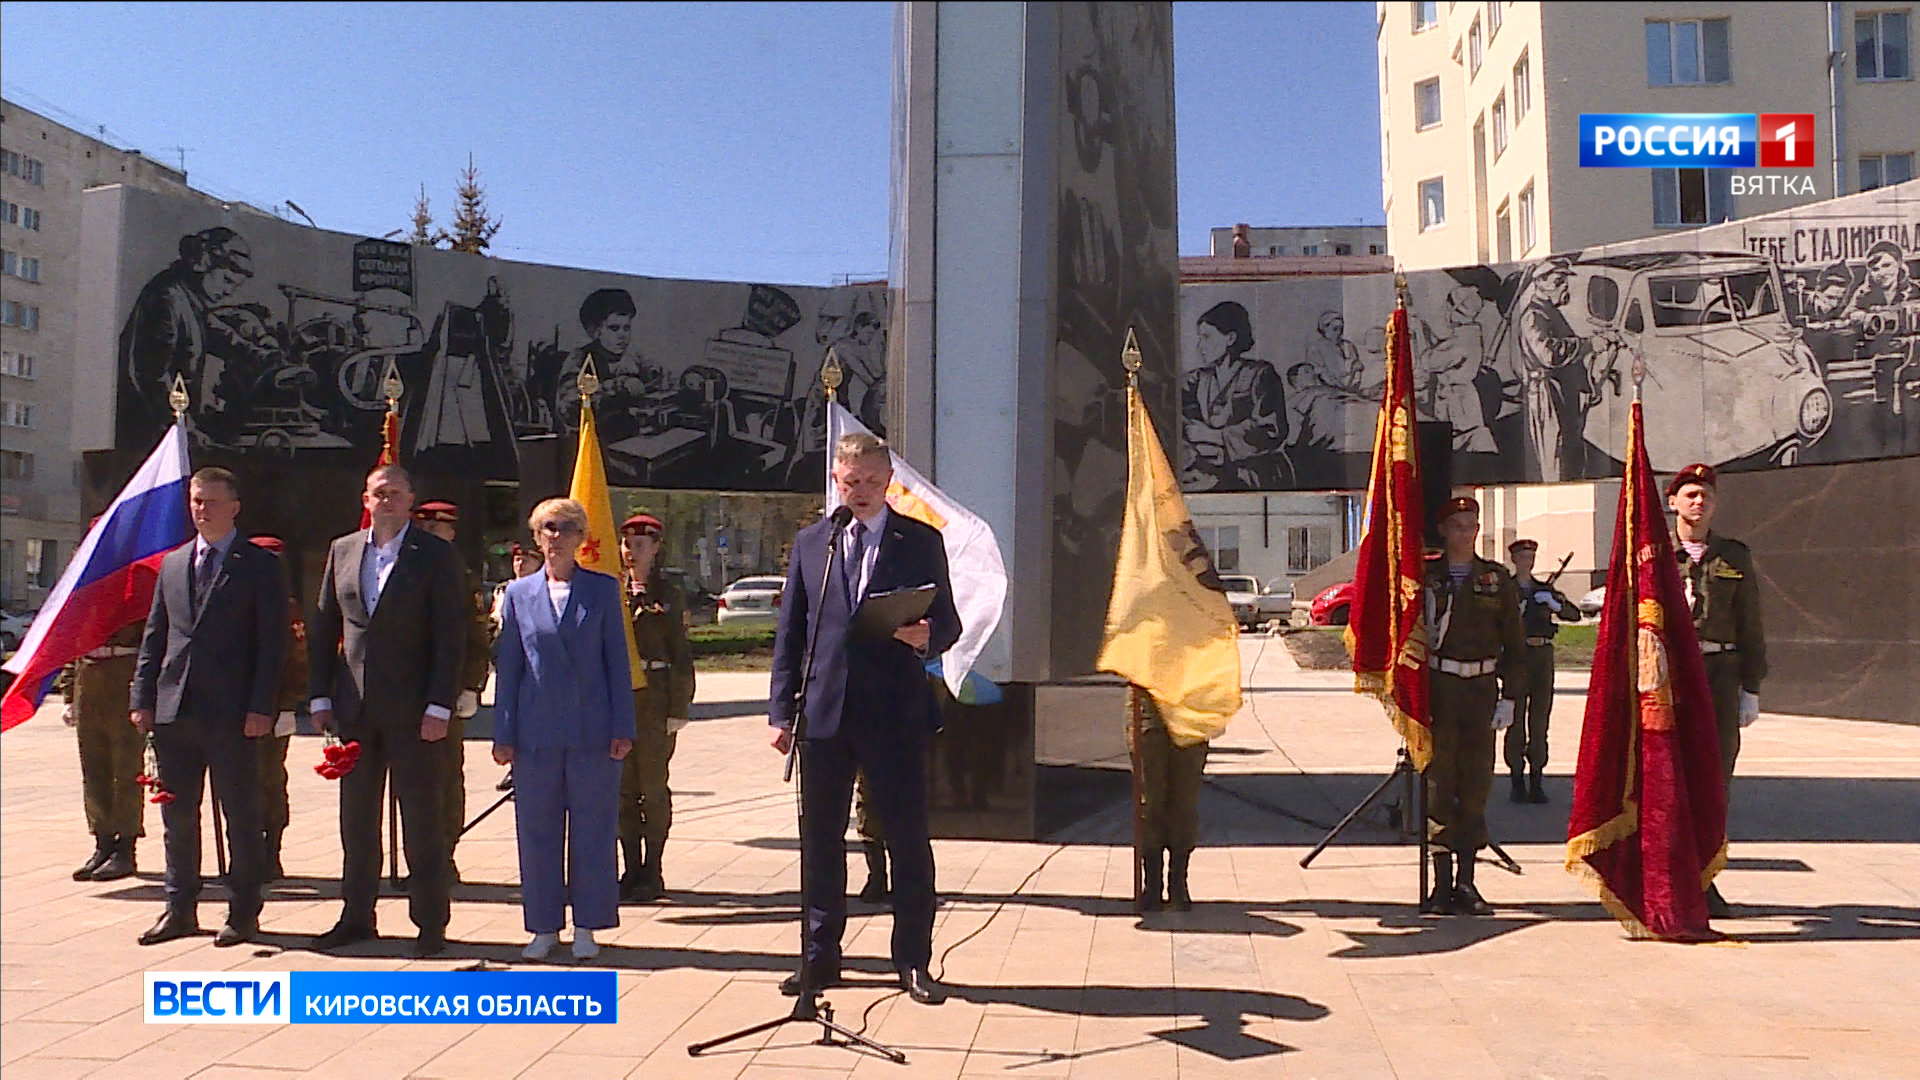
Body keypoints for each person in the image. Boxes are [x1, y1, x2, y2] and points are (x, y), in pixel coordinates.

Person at [770, 432, 961, 1005]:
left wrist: (928, 635)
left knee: (906, 838)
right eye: (851, 481)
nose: (861, 491)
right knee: (820, 841)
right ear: (836, 480)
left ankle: (913, 960)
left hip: (894, 712)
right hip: (824, 712)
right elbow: (792, 632)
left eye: (872, 481)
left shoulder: (920, 541)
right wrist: (781, 711)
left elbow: (949, 620)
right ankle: (819, 956)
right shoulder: (816, 542)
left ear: (889, 482)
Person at [308, 464, 466, 958]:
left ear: (411, 500)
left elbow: (450, 635)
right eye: (380, 493)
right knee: (356, 822)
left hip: (415, 711)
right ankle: (356, 916)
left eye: (397, 493)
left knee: (421, 821)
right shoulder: (343, 550)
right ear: (366, 499)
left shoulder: (435, 555)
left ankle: (430, 923)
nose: (388, 500)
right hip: (355, 709)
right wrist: (320, 696)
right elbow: (325, 626)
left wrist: (440, 704)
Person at [129, 467, 288, 947]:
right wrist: (142, 698)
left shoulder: (259, 565)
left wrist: (261, 706)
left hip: (234, 712)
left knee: (241, 816)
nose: (202, 510)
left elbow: (272, 644)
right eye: (197, 501)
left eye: (212, 502)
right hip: (177, 709)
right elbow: (156, 636)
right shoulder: (174, 563)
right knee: (177, 817)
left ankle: (242, 912)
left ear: (234, 508)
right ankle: (179, 908)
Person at [492, 498, 636, 960]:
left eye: (568, 528)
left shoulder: (602, 589)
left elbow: (617, 662)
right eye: (549, 528)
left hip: (593, 731)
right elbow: (510, 666)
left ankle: (589, 925)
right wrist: (503, 732)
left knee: (593, 832)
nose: (557, 536)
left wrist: (623, 725)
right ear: (537, 536)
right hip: (536, 734)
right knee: (537, 833)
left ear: (581, 538)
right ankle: (543, 926)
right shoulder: (519, 594)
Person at [1667, 463, 1766, 918]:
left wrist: (1751, 687)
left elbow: (1751, 623)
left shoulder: (1733, 556)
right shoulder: (1654, 555)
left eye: (1705, 494)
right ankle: (1666, 880)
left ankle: (1704, 879)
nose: (1699, 501)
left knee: (1714, 779)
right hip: (1670, 677)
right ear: (1673, 502)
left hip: (1720, 675)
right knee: (1667, 777)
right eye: (1690, 494)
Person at [1422, 496, 1525, 917]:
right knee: (1439, 785)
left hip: (1481, 689)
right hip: (1440, 688)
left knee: (1475, 785)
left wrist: (1511, 697)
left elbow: (1515, 644)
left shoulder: (1496, 579)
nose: (1465, 533)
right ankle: (1441, 884)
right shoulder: (1427, 577)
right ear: (1443, 530)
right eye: (1457, 526)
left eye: (1471, 525)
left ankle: (1467, 881)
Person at [616, 512, 695, 902]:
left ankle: (653, 868)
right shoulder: (612, 588)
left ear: (656, 547)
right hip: (619, 700)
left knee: (652, 787)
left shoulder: (668, 594)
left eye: (640, 545)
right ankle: (630, 868)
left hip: (654, 700)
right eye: (627, 544)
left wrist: (679, 705)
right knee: (622, 791)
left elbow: (681, 652)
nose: (631, 552)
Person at [411, 499, 492, 882]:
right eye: (423, 527)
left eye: (436, 528)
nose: (428, 534)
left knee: (445, 777)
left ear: (451, 532)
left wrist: (471, 686)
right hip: (406, 690)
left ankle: (444, 854)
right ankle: (417, 855)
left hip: (446, 690)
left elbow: (476, 636)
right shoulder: (404, 569)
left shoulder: (461, 574)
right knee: (412, 780)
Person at [61, 597, 147, 883]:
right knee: (94, 770)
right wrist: (69, 695)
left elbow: (151, 644)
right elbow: (72, 647)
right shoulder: (87, 593)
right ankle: (103, 842)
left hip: (124, 678)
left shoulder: (135, 591)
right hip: (89, 680)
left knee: (126, 771)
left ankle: (126, 847)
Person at [1515, 257, 1623, 482]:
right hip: (1547, 394)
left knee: (1571, 452)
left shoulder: (1550, 311)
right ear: (1540, 283)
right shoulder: (1534, 315)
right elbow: (1549, 355)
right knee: (1557, 455)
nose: (1564, 287)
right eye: (1558, 281)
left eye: (1564, 281)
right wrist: (1589, 345)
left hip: (1563, 393)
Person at [247, 534, 308, 882]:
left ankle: (271, 850)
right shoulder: (236, 601)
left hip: (272, 708)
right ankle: (246, 850)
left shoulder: (286, 607)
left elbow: (298, 661)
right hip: (237, 708)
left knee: (269, 779)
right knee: (240, 783)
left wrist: (288, 707)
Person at [1182, 300, 1290, 489]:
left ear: (1230, 338)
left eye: (1207, 337)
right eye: (1199, 338)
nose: (1200, 347)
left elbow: (1271, 430)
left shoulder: (1260, 374)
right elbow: (1168, 405)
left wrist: (1214, 436)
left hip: (1256, 473)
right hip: (1211, 469)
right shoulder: (1199, 378)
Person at [1504, 539, 1578, 804]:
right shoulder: (1506, 589)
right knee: (1515, 721)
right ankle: (1516, 780)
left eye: (1531, 557)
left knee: (1539, 720)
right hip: (1517, 657)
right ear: (1515, 560)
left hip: (1542, 657)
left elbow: (1574, 615)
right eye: (1524, 557)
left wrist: (1555, 605)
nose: (1528, 562)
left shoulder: (1544, 589)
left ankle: (1536, 780)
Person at [1130, 692, 1207, 913]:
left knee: (1184, 802)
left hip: (1191, 704)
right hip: (1147, 704)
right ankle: (1152, 883)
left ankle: (1178, 882)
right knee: (1150, 801)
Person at [555, 287, 664, 438]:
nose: (622, 335)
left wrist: (655, 375)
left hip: (628, 435)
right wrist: (618, 387)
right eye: (614, 328)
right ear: (596, 331)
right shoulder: (581, 359)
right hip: (590, 439)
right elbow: (569, 410)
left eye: (626, 328)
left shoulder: (631, 357)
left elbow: (654, 375)